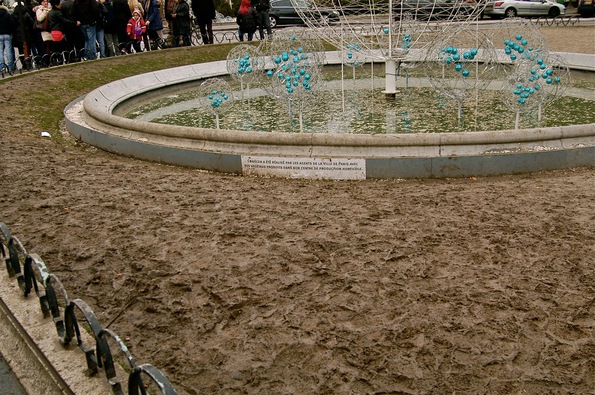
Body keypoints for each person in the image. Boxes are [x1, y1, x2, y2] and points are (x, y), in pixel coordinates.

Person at [11, 0, 34, 65]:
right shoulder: (26, 14)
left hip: (17, 35)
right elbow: (31, 23)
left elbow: (12, 25)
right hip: (27, 34)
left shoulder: (13, 15)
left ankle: (23, 64)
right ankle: (29, 63)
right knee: (28, 49)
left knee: (20, 50)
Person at [0, 0, 15, 71]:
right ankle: (10, 66)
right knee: (9, 51)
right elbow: (12, 24)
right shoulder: (7, 14)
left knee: (0, 51)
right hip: (7, 34)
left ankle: (2, 67)